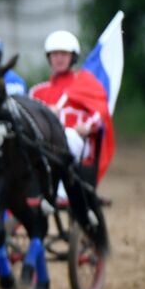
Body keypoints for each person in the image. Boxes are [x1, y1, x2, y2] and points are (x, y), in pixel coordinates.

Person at [31, 29, 116, 183]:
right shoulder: (37, 92)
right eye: (55, 54)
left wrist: (87, 127)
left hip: (79, 144)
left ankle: (63, 186)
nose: (59, 59)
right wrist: (46, 115)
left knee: (69, 136)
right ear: (49, 57)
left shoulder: (86, 84)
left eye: (64, 54)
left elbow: (100, 113)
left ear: (73, 57)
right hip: (43, 145)